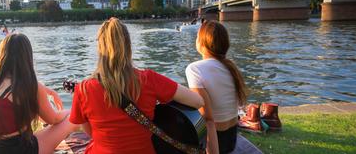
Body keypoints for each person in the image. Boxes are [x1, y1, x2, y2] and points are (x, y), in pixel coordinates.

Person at [69, 17, 204, 154]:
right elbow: (198, 101)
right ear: (128, 46)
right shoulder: (148, 79)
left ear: (100, 48)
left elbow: (89, 131)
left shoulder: (84, 89)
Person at [0, 34, 77, 154]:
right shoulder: (31, 86)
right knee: (71, 120)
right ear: (27, 57)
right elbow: (54, 118)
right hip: (11, 150)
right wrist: (70, 110)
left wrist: (47, 90)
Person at [186, 21, 248, 154]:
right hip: (231, 139)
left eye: (197, 37)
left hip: (215, 142)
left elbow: (207, 119)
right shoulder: (231, 67)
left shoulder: (195, 69)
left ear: (202, 43)